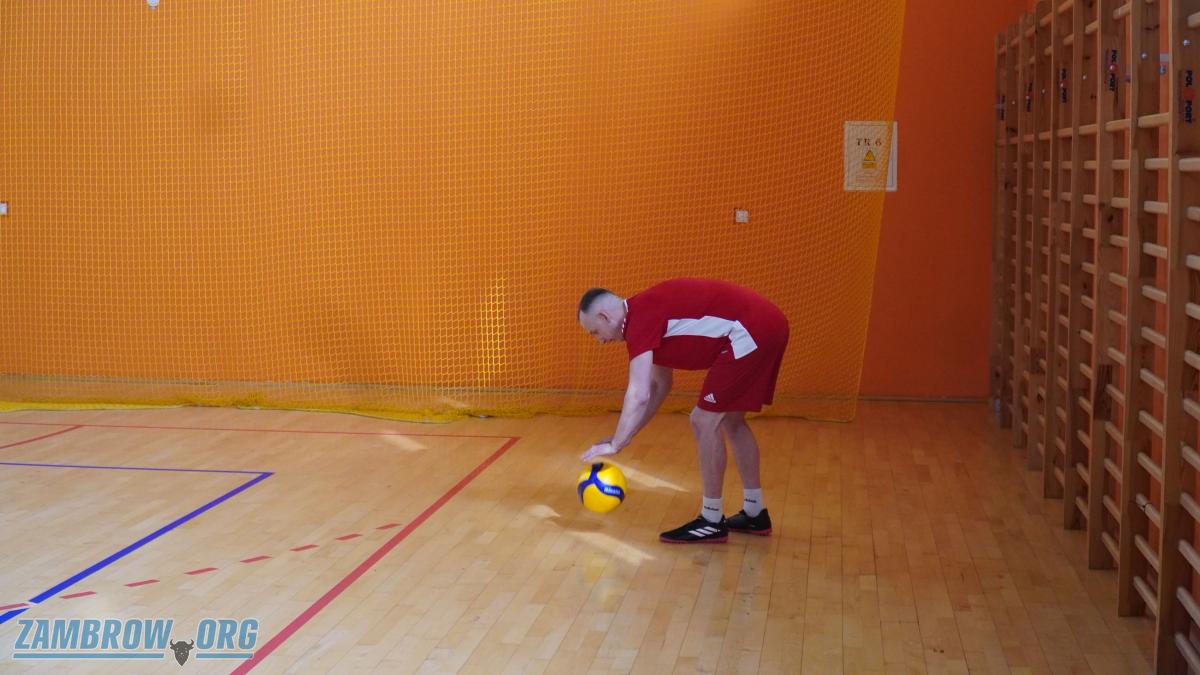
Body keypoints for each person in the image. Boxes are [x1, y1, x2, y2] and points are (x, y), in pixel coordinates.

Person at [577, 278, 790, 543]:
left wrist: (615, 444)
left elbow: (639, 394)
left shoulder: (639, 320)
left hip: (753, 330)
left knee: (703, 420)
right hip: (764, 325)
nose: (599, 341)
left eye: (595, 332)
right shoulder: (645, 313)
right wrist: (624, 437)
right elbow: (659, 386)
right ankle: (755, 512)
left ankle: (711, 520)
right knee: (731, 421)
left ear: (604, 316)